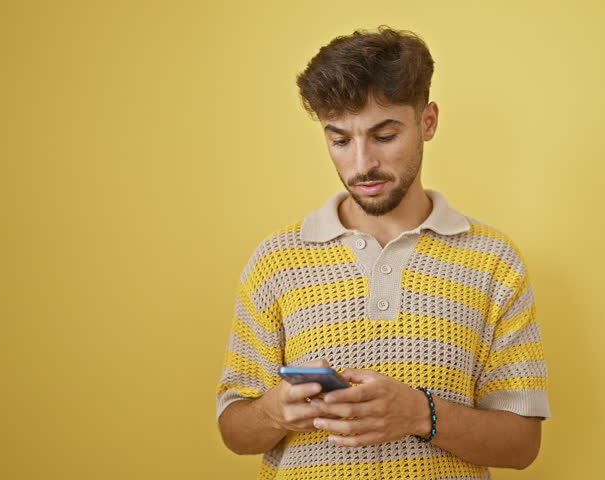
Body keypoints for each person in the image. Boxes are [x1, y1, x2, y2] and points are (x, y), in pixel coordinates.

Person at [215, 25, 551, 479]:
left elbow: (522, 444)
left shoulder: (494, 261)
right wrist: (276, 410)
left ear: (427, 121)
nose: (361, 164)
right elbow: (234, 431)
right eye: (340, 140)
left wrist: (419, 413)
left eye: (384, 135)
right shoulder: (276, 261)